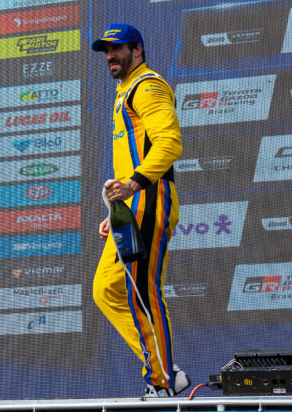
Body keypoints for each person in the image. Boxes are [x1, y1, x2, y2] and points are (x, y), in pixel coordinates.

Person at [91, 23, 190, 397]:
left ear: (138, 50)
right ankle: (164, 369)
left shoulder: (147, 86)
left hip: (151, 198)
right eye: (106, 51)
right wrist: (119, 206)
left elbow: (170, 143)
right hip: (133, 206)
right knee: (106, 289)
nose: (110, 57)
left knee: (142, 293)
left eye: (117, 49)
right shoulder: (124, 92)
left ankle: (162, 381)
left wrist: (133, 186)